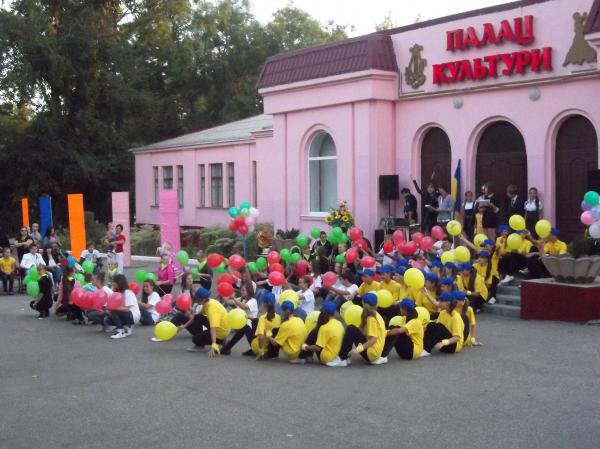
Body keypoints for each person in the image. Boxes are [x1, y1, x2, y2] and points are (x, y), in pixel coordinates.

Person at [338, 293, 388, 366]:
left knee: (350, 328)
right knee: (352, 329)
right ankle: (345, 356)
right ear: (376, 304)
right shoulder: (376, 314)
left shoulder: (371, 319)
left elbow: (373, 339)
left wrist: (357, 350)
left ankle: (342, 358)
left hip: (371, 354)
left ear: (363, 303)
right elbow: (362, 331)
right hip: (376, 351)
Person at [184, 288, 230, 357]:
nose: (196, 301)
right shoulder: (208, 302)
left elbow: (213, 328)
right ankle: (219, 339)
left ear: (202, 299)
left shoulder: (212, 309)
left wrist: (213, 346)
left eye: (197, 299)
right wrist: (184, 326)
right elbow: (196, 317)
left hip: (220, 332)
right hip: (222, 328)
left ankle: (220, 341)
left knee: (195, 339)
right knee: (198, 317)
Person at [299, 300, 346, 367]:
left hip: (326, 358)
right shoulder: (339, 323)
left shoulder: (324, 328)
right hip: (337, 354)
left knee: (314, 332)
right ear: (334, 313)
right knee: (316, 331)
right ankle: (307, 355)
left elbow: (317, 348)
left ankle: (304, 356)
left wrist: (306, 347)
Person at [221, 282, 259, 355]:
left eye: (244, 290)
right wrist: (223, 293)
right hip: (243, 323)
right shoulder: (241, 299)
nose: (242, 292)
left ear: (249, 291)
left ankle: (228, 347)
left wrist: (234, 299)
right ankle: (227, 347)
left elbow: (244, 306)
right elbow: (228, 302)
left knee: (244, 328)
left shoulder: (253, 301)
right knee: (243, 328)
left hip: (252, 324)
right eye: (241, 290)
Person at [105, 274, 140, 339]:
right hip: (128, 315)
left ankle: (120, 331)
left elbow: (126, 309)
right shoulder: (119, 293)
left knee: (113, 311)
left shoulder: (127, 292)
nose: (113, 283)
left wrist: (112, 308)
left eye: (114, 282)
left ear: (119, 283)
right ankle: (127, 327)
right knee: (107, 320)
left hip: (133, 315)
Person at [250, 292, 281, 358]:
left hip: (260, 347)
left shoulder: (263, 318)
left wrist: (261, 351)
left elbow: (260, 337)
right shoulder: (278, 317)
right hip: (271, 347)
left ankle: (256, 352)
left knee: (255, 322)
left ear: (264, 304)